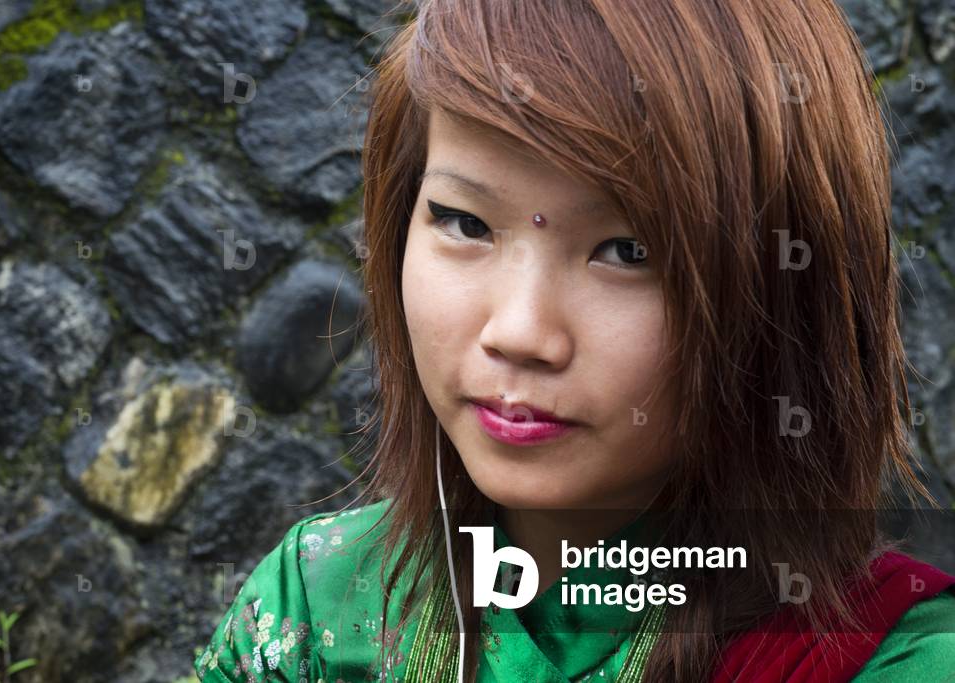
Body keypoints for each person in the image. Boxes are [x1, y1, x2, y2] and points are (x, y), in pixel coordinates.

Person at [194, 1, 955, 681]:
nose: (519, 332)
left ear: (788, 284)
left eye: (629, 250)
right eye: (464, 222)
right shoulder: (316, 610)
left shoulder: (898, 663)